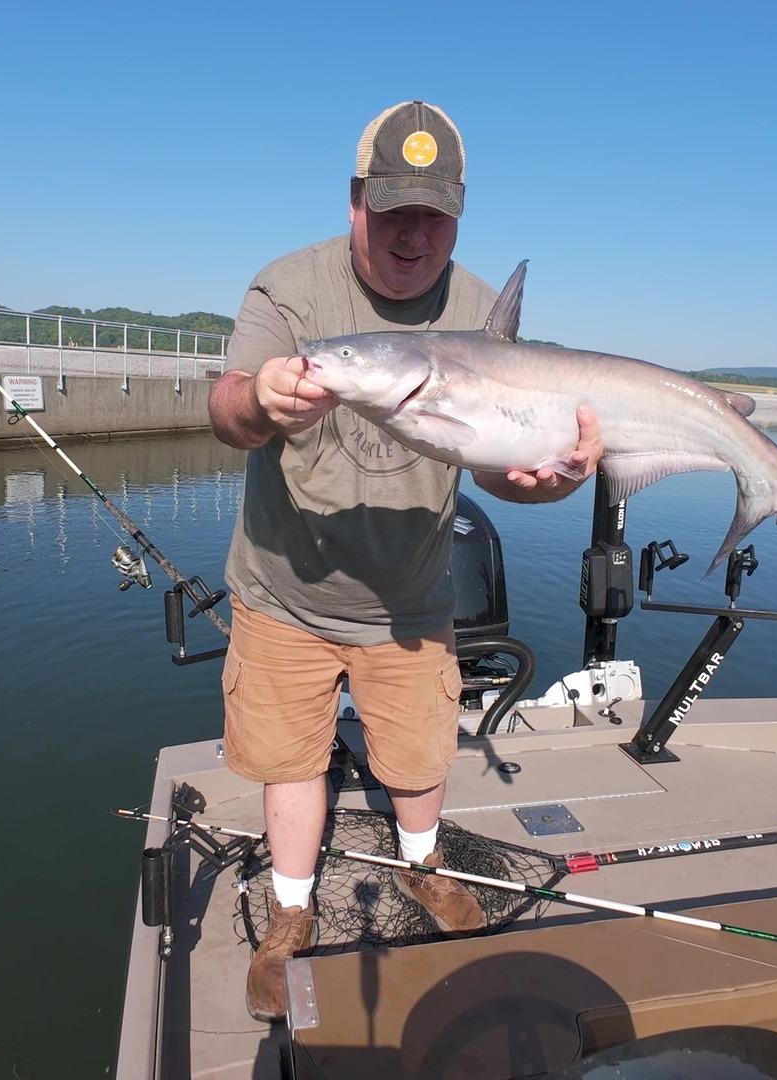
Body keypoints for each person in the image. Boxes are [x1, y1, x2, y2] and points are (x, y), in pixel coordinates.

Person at [208, 100, 603, 1023]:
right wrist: (263, 399)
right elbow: (226, 410)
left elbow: (504, 473)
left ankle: (423, 869)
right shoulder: (289, 289)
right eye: (392, 210)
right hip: (284, 590)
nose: (413, 234)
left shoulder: (475, 312)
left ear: (458, 214)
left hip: (411, 596)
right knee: (294, 763)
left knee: (419, 758)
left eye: (434, 213)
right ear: (356, 201)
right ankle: (291, 917)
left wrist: (550, 483)